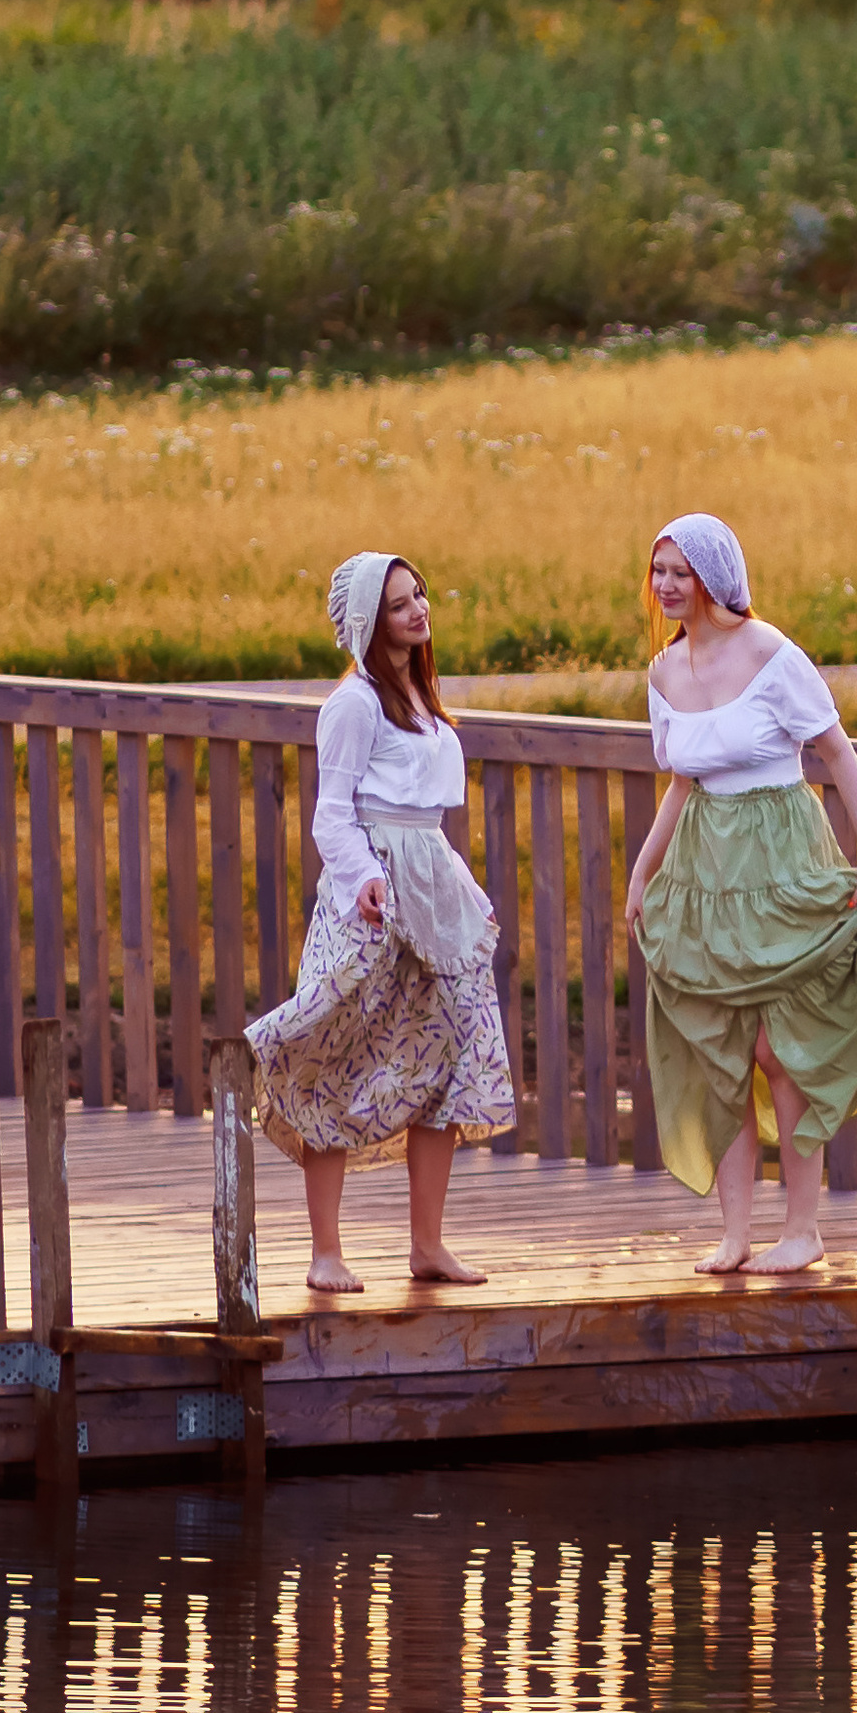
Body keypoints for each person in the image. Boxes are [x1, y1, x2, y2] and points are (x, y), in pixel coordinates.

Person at [624, 512, 857, 1274]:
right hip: (707, 867)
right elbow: (682, 782)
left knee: (783, 1048)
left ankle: (802, 1229)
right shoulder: (664, 672)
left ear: (713, 578)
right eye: (659, 572)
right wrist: (644, 870)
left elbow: (837, 752)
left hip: (782, 855)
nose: (666, 586)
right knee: (724, 1050)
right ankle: (736, 1234)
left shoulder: (773, 654)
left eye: (680, 571)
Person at [247, 550, 514, 1297]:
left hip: (431, 886)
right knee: (340, 1050)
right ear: (370, 621)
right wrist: (365, 877)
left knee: (449, 1054)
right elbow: (333, 815)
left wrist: (462, 889)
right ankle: (326, 1250)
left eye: (419, 596)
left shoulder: (420, 697)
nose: (419, 610)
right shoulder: (354, 704)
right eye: (400, 604)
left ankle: (427, 1244)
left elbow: (424, 818)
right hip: (371, 899)